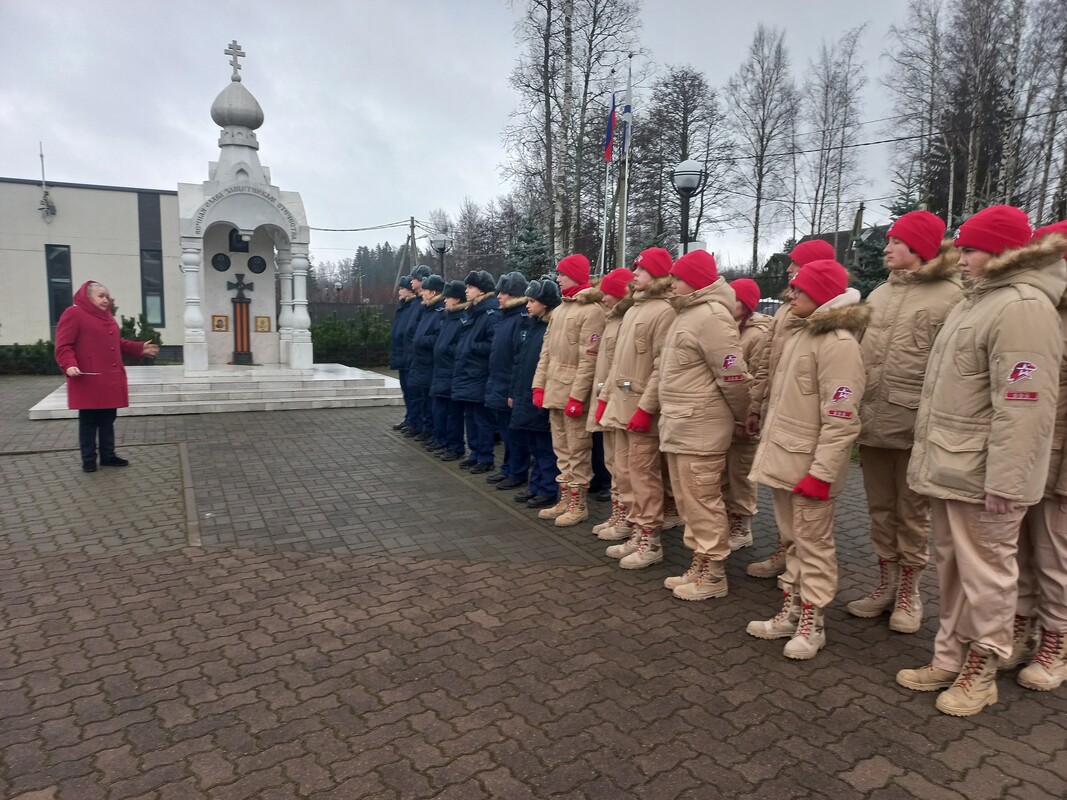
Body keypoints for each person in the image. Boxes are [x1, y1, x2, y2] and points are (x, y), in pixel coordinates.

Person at [898, 206, 1066, 716]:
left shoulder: (1023, 308)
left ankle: (984, 667)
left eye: (969, 249)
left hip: (984, 475)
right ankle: (949, 656)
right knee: (954, 571)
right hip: (954, 467)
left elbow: (1024, 406)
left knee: (987, 574)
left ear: (1000, 251)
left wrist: (1008, 481)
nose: (959, 257)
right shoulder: (977, 302)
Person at [746, 259, 867, 659]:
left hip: (810, 468)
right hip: (787, 462)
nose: (790, 293)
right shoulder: (803, 334)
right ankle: (792, 611)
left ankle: (813, 625)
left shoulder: (839, 345)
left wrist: (822, 473)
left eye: (799, 288)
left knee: (813, 547)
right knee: (794, 542)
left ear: (821, 294)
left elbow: (841, 417)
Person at [849, 211, 962, 633]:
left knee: (912, 514)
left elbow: (952, 369)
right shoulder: (879, 294)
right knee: (880, 510)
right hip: (873, 424)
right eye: (890, 240)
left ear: (920, 248)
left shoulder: (951, 296)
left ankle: (909, 592)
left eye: (897, 241)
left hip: (915, 427)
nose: (888, 247)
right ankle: (885, 584)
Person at [646, 250, 751, 599]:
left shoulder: (712, 318)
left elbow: (733, 377)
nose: (671, 283)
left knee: (703, 501)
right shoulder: (686, 314)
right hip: (680, 425)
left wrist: (742, 415)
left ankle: (714, 574)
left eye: (678, 277)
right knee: (690, 501)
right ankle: (699, 563)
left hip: (701, 428)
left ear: (695, 281)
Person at [745, 239, 836, 579]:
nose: (788, 269)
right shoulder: (786, 311)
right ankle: (785, 550)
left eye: (796, 263)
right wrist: (756, 406)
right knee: (780, 490)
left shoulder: (826, 321)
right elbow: (767, 362)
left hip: (804, 419)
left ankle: (803, 571)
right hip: (777, 411)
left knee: (807, 507)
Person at [1011, 221, 1067, 692]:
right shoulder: (1036, 307)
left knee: (1054, 556)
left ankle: (1056, 641)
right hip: (1028, 454)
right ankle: (1020, 628)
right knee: (1019, 550)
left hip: (1060, 461)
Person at [596, 247, 677, 566]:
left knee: (644, 477)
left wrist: (646, 408)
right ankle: (636, 530)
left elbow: (661, 366)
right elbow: (617, 365)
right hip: (622, 407)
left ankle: (650, 541)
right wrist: (605, 400)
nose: (635, 273)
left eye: (642, 269)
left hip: (641, 411)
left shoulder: (664, 311)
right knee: (626, 473)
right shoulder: (633, 310)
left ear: (656, 274)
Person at [54, 280, 160, 472]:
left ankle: (108, 456)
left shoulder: (107, 317)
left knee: (107, 419)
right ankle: (88, 459)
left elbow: (117, 343)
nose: (106, 300)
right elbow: (63, 345)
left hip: (109, 379)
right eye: (101, 296)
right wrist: (69, 364)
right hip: (88, 379)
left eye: (107, 297)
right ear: (88, 297)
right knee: (88, 422)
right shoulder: (74, 313)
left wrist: (138, 348)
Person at [532, 254, 605, 526]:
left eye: (563, 274)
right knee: (561, 449)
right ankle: (564, 498)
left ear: (575, 275)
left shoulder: (592, 311)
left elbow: (589, 359)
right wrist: (539, 386)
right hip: (555, 390)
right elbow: (546, 353)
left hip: (573, 394)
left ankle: (578, 503)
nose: (558, 278)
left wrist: (578, 396)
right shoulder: (561, 310)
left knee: (578, 450)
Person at [723, 277, 772, 551]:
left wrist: (747, 414)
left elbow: (754, 379)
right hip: (723, 416)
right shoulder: (726, 328)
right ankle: (727, 520)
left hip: (743, 418)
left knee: (741, 474)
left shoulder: (757, 335)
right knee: (724, 474)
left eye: (735, 299)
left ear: (746, 304)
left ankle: (742, 526)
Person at [588, 267, 635, 540]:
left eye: (608, 293)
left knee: (623, 466)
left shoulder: (626, 321)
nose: (603, 298)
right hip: (607, 397)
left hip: (621, 401)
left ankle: (627, 517)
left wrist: (613, 396)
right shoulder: (612, 320)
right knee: (612, 462)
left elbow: (625, 369)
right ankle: (617, 513)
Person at [511, 280, 562, 509]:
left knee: (545, 447)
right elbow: (521, 362)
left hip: (542, 395)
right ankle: (535, 485)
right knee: (534, 445)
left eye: (532, 301)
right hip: (527, 392)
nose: (527, 305)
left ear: (546, 303)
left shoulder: (550, 327)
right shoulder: (531, 326)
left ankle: (548, 489)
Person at [484, 271, 531, 489]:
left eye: (502, 293)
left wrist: (513, 389)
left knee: (515, 434)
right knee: (506, 432)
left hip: (510, 385)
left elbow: (518, 358)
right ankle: (507, 468)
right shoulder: (506, 318)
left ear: (513, 294)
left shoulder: (520, 320)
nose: (498, 297)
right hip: (500, 383)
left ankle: (518, 472)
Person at [451, 270, 500, 475]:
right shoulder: (473, 312)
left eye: (470, 287)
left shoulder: (491, 314)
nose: (466, 291)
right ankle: (475, 453)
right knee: (470, 418)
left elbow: (494, 346)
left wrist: (472, 347)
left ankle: (486, 457)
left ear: (481, 291)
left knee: (482, 419)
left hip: (479, 374)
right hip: (468, 373)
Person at [430, 280, 469, 462]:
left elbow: (461, 347)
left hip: (452, 373)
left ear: (457, 299)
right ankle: (444, 441)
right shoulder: (448, 318)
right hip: (441, 372)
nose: (444, 300)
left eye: (448, 297)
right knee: (440, 411)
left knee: (453, 414)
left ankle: (455, 446)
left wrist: (445, 350)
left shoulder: (462, 319)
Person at [408, 274, 446, 446]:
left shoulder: (440, 312)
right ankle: (427, 429)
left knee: (432, 403)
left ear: (433, 292)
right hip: (421, 363)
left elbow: (439, 338)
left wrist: (421, 341)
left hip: (430, 364)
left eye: (425, 290)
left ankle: (434, 432)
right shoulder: (427, 310)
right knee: (424, 400)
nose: (422, 293)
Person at [401, 264, 435, 439]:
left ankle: (423, 426)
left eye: (414, 278)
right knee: (415, 393)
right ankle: (416, 422)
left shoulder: (425, 304)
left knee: (423, 396)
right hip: (413, 356)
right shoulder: (416, 302)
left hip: (423, 358)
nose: (411, 281)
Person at [389, 275, 418, 432]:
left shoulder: (413, 307)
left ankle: (414, 420)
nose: (399, 291)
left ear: (410, 290)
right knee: (406, 390)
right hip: (401, 355)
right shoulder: (403, 308)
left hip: (409, 356)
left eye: (402, 288)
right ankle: (409, 418)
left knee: (412, 391)